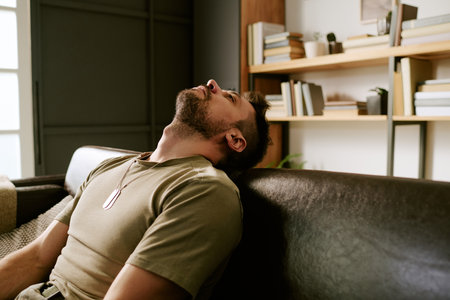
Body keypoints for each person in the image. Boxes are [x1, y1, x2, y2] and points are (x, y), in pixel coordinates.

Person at [0, 79, 270, 300]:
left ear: (235, 139)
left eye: (229, 98)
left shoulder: (205, 191)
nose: (213, 84)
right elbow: (36, 258)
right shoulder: (111, 167)